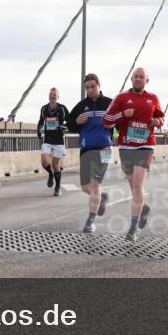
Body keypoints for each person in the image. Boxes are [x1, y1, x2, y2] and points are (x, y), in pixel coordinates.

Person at [103, 68, 165, 241]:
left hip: (145, 145)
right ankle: (143, 208)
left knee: (137, 185)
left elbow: (161, 117)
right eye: (135, 77)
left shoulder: (153, 98)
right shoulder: (121, 98)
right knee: (133, 185)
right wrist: (123, 114)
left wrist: (157, 121)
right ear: (131, 79)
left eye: (141, 77)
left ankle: (133, 228)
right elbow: (106, 120)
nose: (138, 79)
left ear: (147, 80)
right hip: (126, 146)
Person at [67, 74, 113, 233]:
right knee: (85, 187)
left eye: (93, 86)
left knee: (95, 185)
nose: (90, 90)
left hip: (104, 149)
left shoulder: (109, 103)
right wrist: (76, 123)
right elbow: (70, 125)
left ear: (99, 86)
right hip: (86, 149)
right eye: (87, 87)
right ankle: (102, 197)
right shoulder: (81, 105)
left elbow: (121, 123)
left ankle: (90, 221)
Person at [37, 88, 68, 196]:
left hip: (59, 141)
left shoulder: (62, 108)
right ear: (48, 95)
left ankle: (57, 187)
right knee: (44, 161)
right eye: (51, 94)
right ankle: (50, 174)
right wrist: (39, 130)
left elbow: (69, 122)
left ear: (58, 97)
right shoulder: (44, 109)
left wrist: (61, 127)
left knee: (56, 166)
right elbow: (41, 122)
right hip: (48, 140)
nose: (52, 96)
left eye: (54, 95)